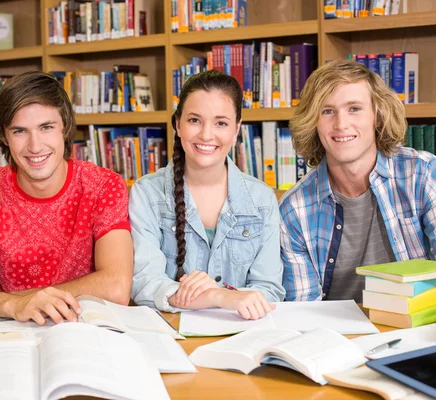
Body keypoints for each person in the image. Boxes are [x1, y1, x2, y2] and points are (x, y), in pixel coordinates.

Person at [0, 71, 134, 325]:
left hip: (82, 332)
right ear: (4, 136)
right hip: (10, 330)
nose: (35, 146)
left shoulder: (104, 186)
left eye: (46, 127)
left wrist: (35, 300)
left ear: (65, 128)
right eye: (19, 131)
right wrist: (15, 305)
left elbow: (116, 286)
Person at [130, 70, 285, 319]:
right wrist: (217, 297)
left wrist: (221, 296)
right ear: (177, 124)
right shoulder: (146, 194)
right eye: (194, 120)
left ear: (236, 130)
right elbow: (145, 286)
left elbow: (270, 289)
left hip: (243, 333)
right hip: (170, 336)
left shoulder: (262, 199)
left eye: (221, 123)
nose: (206, 134)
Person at [280, 60, 436, 302]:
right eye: (327, 111)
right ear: (314, 122)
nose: (341, 124)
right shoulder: (294, 209)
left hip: (418, 328)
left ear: (377, 115)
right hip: (335, 335)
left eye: (354, 108)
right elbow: (303, 308)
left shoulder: (422, 175)